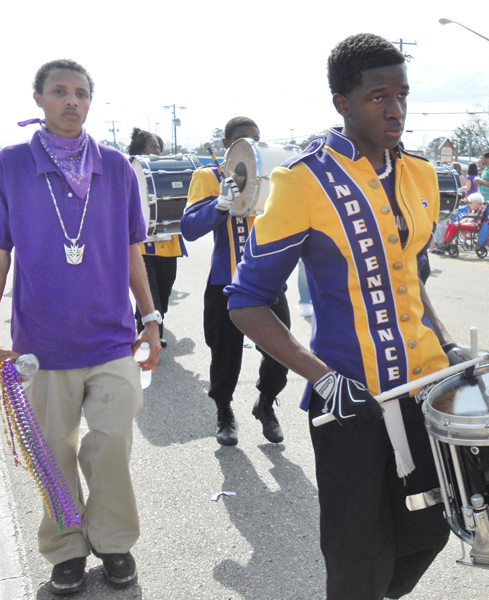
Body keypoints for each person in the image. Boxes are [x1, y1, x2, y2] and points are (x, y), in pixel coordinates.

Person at [226, 33, 461, 600]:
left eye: (401, 94)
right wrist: (320, 377)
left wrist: (449, 347)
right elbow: (246, 300)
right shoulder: (302, 181)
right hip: (348, 403)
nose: (396, 109)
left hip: (426, 392)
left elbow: (411, 276)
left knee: (431, 526)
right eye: (378, 96)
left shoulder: (422, 175)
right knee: (357, 559)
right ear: (343, 103)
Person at [0, 59, 161, 594]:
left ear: (90, 102)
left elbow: (134, 249)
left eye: (81, 93)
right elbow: (1, 252)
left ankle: (113, 541)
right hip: (41, 342)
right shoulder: (11, 165)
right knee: (52, 449)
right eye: (60, 92)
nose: (72, 101)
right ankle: (65, 547)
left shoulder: (115, 167)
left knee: (112, 440)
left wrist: (151, 319)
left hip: (112, 337)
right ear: (39, 99)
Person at [180, 117, 290, 446]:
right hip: (224, 281)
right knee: (225, 355)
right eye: (243, 142)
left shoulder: (271, 175)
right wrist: (221, 203)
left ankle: (266, 404)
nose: (251, 147)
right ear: (229, 146)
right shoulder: (208, 176)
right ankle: (224, 412)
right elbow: (189, 228)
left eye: (256, 141)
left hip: (267, 280)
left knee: (281, 352)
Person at [128, 127, 187, 348]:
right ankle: (149, 332)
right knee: (149, 287)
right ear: (141, 149)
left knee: (164, 288)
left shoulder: (163, 171)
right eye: (153, 147)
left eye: (159, 147)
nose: (158, 151)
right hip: (141, 245)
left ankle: (153, 321)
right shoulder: (129, 169)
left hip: (167, 243)